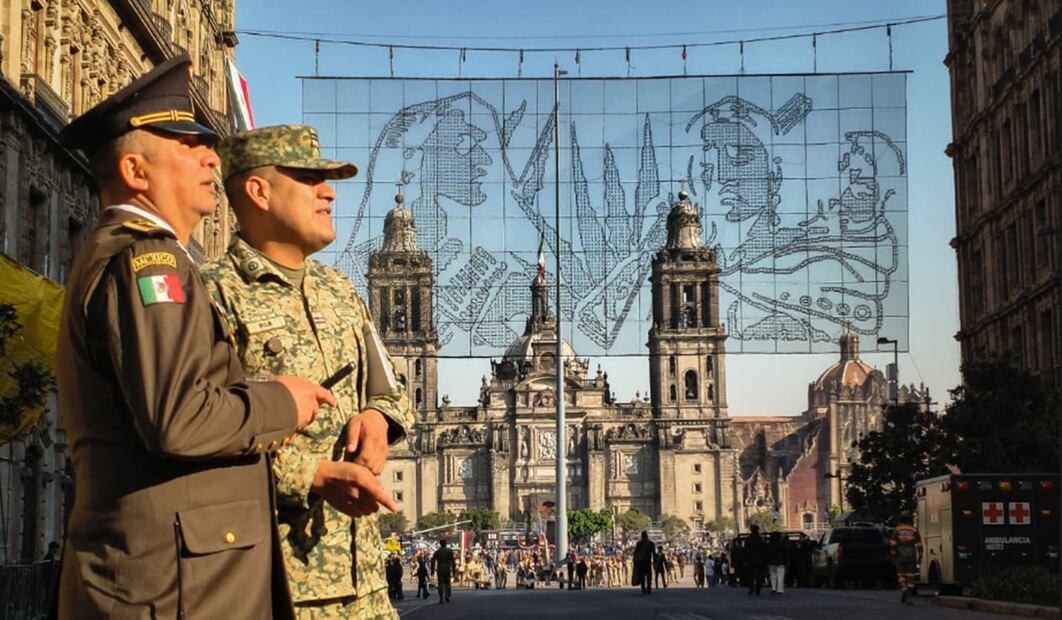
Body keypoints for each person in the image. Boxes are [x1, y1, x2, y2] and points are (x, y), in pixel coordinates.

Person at [54, 56, 335, 619]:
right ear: (136, 172)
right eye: (188, 144)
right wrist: (283, 401)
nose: (211, 157)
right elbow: (179, 417)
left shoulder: (140, 256)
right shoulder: (148, 260)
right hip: (175, 589)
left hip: (181, 580)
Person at [204, 124, 412, 619]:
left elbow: (392, 388)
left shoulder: (340, 291)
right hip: (277, 586)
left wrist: (380, 419)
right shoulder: (210, 295)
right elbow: (195, 429)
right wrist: (310, 475)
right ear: (259, 192)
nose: (329, 192)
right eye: (309, 178)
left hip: (366, 589)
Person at [891, 512, 923, 606]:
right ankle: (909, 598)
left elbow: (893, 544)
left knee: (901, 575)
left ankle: (904, 588)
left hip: (900, 556)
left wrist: (893, 555)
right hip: (911, 556)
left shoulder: (897, 530)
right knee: (911, 577)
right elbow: (919, 545)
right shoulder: (914, 530)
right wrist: (920, 556)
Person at [745, 524, 768, 596]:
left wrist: (746, 559)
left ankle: (751, 589)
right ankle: (758, 589)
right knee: (759, 575)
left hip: (750, 559)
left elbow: (746, 549)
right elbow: (764, 549)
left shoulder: (748, 538)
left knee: (750, 575)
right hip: (759, 559)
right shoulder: (760, 539)